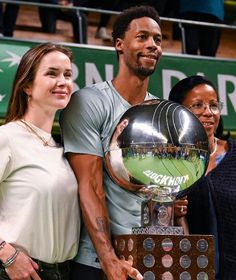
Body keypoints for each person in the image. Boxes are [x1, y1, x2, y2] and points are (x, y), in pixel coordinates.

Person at [60, 5, 162, 280]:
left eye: (157, 39)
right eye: (142, 37)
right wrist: (109, 260)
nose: (152, 45)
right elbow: (91, 186)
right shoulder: (89, 102)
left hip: (148, 258)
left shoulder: (160, 111)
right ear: (119, 44)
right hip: (96, 262)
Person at [0, 42, 80, 280]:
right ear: (26, 85)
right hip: (15, 272)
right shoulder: (8, 137)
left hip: (63, 272)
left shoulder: (62, 148)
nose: (63, 81)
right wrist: (6, 254)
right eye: (52, 73)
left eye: (68, 74)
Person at [169, 75, 236, 279]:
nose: (208, 112)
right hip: (190, 270)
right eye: (198, 105)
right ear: (178, 112)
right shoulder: (168, 161)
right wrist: (171, 210)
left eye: (214, 105)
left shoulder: (233, 155)